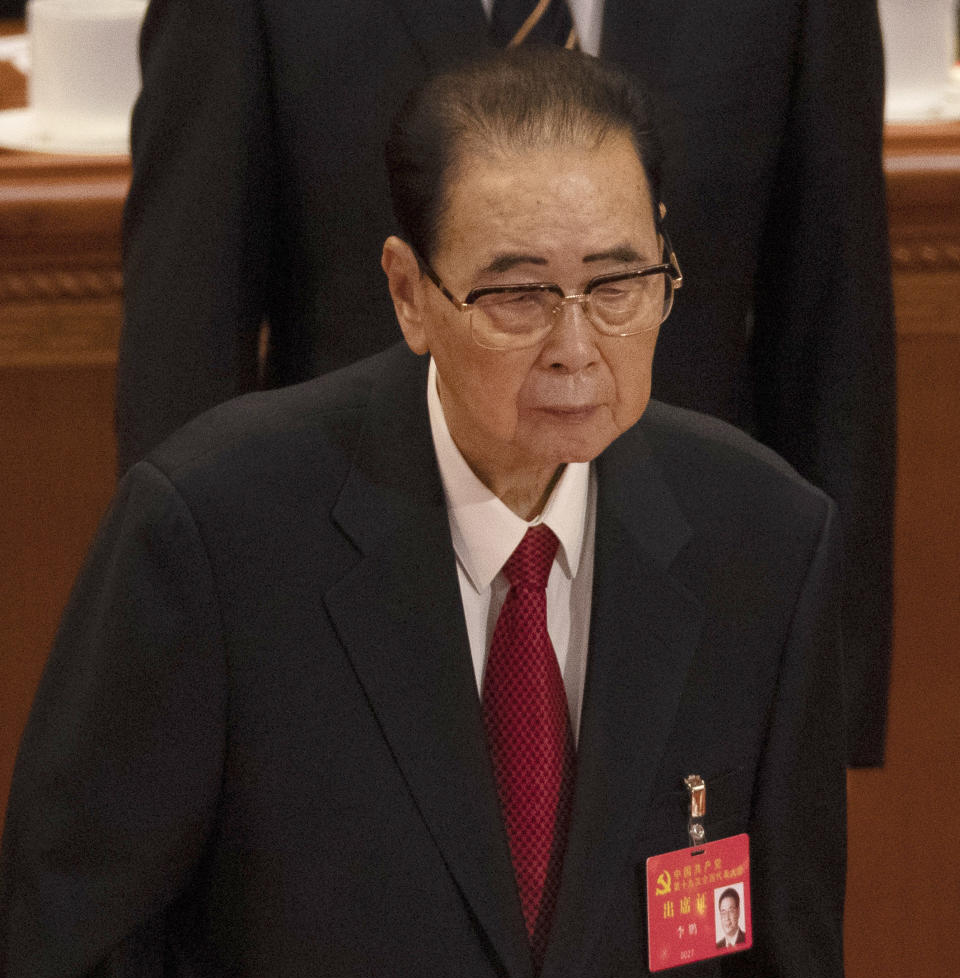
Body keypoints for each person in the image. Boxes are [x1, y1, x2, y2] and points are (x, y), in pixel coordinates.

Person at [1, 48, 889, 978]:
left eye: (617, 282)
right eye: (519, 293)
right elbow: (65, 945)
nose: (578, 346)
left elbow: (781, 972)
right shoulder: (219, 530)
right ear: (411, 293)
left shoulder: (762, 542)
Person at [115, 0, 896, 769]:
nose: (571, 346)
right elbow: (189, 324)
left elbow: (835, 322)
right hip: (339, 602)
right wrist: (183, 656)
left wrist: (826, 697)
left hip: (685, 608)